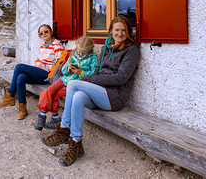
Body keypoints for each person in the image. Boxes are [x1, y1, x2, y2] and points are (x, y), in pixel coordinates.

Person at [41, 16, 140, 167]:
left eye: (123, 30)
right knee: (79, 96)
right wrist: (88, 77)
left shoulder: (131, 50)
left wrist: (89, 80)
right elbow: (95, 71)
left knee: (74, 84)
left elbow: (121, 78)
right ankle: (76, 142)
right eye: (117, 30)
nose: (120, 33)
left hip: (114, 96)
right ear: (111, 32)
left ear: (128, 32)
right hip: (99, 92)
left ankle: (64, 129)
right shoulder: (107, 47)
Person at [0, 24, 65, 120]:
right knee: (21, 77)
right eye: (41, 33)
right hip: (39, 72)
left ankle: (10, 94)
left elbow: (60, 64)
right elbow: (39, 61)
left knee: (19, 67)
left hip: (48, 75)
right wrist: (35, 68)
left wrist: (46, 67)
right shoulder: (42, 46)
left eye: (46, 31)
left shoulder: (57, 45)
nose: (44, 34)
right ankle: (22, 108)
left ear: (51, 32)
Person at [34, 36, 98, 131]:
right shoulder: (73, 54)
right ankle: (42, 114)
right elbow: (63, 70)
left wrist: (81, 73)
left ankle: (55, 117)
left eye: (83, 53)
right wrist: (68, 68)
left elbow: (93, 74)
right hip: (64, 79)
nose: (80, 54)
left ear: (90, 50)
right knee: (48, 91)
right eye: (78, 51)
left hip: (75, 84)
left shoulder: (93, 59)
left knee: (55, 95)